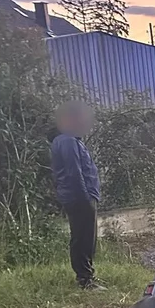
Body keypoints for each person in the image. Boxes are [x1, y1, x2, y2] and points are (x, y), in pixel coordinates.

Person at [51, 100, 104, 290]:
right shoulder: (67, 141)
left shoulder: (70, 141)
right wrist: (85, 199)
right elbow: (74, 172)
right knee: (83, 238)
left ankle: (86, 276)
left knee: (83, 237)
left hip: (80, 196)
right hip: (80, 198)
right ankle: (85, 279)